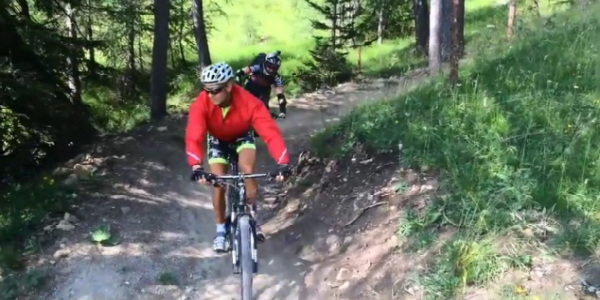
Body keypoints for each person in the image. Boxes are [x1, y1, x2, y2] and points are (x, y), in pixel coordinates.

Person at [185, 62, 291, 253]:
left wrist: (282, 163)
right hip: (217, 138)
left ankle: (252, 216)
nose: (210, 95)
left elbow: (271, 134)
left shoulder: (250, 102)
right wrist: (196, 166)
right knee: (218, 182)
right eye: (206, 90)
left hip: (242, 135)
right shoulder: (201, 103)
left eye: (215, 90)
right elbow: (194, 135)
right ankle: (220, 230)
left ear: (228, 85)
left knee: (247, 170)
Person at [236, 51, 287, 120]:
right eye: (270, 66)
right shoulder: (258, 67)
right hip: (251, 86)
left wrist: (282, 111)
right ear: (266, 63)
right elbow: (243, 71)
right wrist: (239, 80)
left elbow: (280, 96)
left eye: (274, 68)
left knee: (263, 111)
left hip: (264, 91)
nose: (271, 70)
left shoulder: (276, 77)